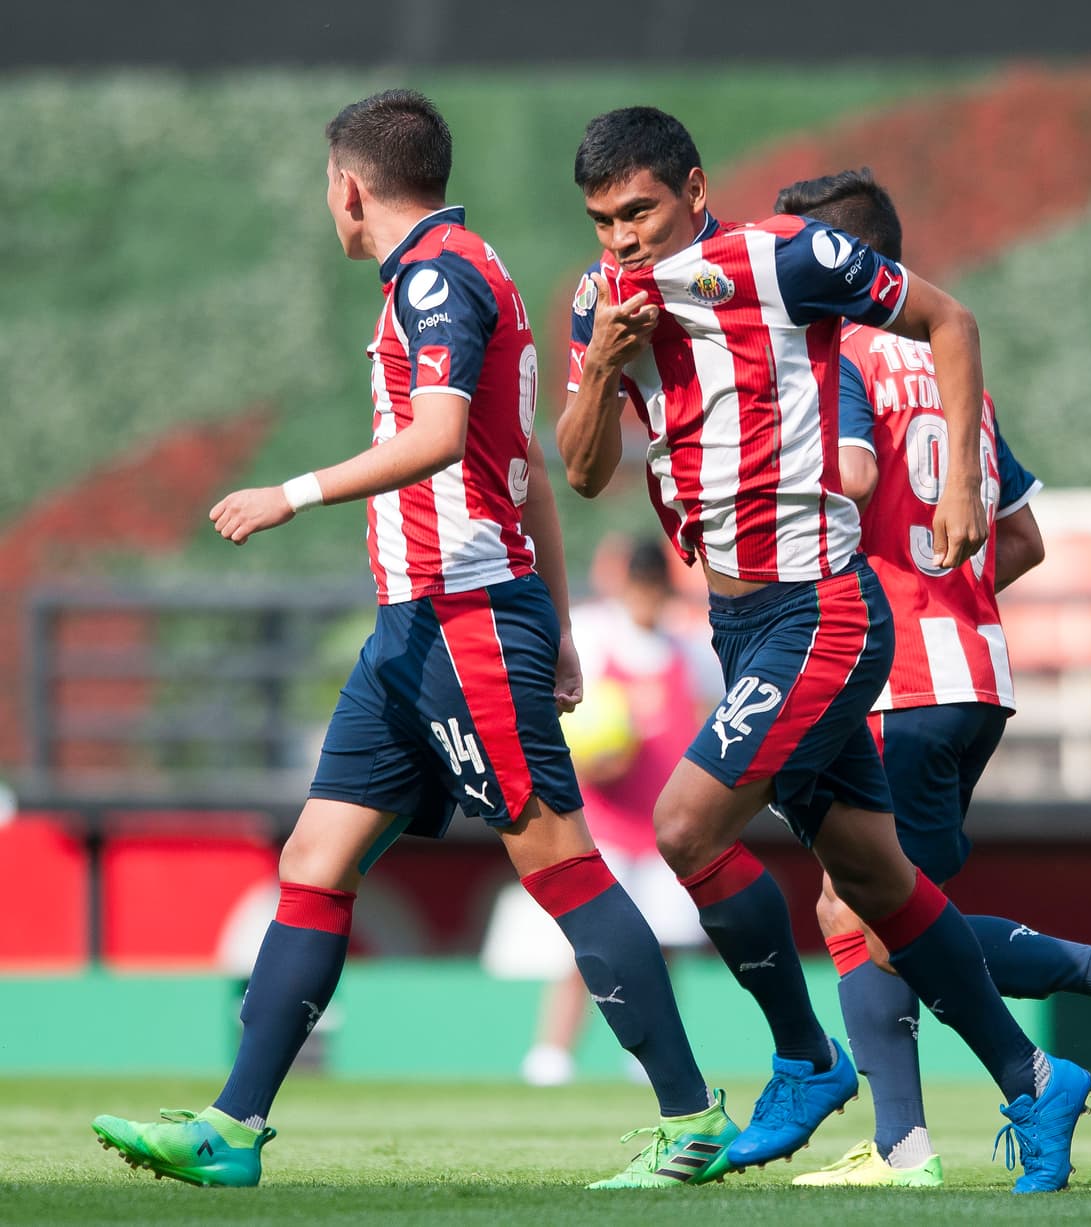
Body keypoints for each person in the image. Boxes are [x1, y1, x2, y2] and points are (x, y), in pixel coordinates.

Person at [91, 89, 741, 1191]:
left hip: (467, 617)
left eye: (327, 190)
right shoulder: (452, 270)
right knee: (314, 860)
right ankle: (234, 1129)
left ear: (348, 188)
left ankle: (691, 1117)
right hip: (414, 628)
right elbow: (525, 463)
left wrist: (290, 493)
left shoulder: (440, 276)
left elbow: (442, 440)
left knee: (557, 861)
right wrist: (572, 630)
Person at [556, 106, 1091, 1195]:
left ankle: (803, 1060)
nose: (621, 239)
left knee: (681, 825)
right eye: (603, 220)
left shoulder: (788, 259)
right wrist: (603, 368)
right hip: (739, 621)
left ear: (695, 191)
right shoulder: (594, 302)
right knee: (876, 883)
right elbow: (577, 470)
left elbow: (947, 320)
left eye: (640, 212)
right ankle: (1035, 1079)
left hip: (822, 612)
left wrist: (953, 492)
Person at [767, 170, 1091, 1190]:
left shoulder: (839, 360)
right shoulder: (947, 374)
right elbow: (1020, 538)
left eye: (788, 256)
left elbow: (856, 485)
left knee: (865, 913)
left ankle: (918, 1133)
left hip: (893, 680)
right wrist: (941, 590)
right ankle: (916, 1131)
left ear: (836, 264)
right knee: (884, 911)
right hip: (972, 676)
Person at [482, 536, 713, 1087]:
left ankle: (649, 1055)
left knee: (665, 946)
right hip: (601, 823)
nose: (646, 599)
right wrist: (591, 755)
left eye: (655, 588)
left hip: (663, 828)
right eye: (639, 586)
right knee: (588, 943)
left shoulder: (690, 647)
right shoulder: (592, 633)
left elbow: (705, 721)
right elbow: (555, 709)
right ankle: (553, 1054)